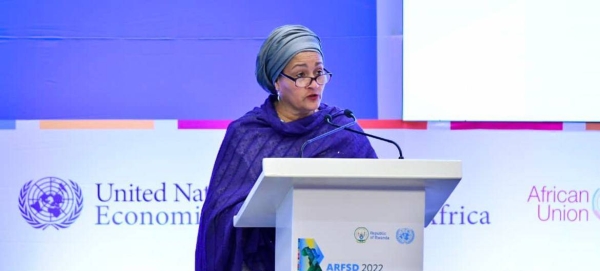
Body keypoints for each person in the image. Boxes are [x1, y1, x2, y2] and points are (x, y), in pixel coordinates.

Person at [195, 24, 377, 271]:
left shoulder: (341, 129)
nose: (314, 83)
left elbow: (379, 194)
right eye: (301, 75)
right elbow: (218, 217)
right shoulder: (246, 134)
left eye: (319, 72)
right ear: (276, 81)